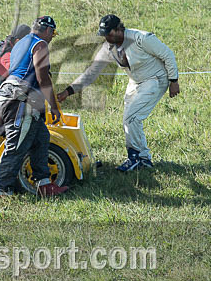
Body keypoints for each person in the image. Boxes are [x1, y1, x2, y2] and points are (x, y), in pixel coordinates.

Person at [58, 14, 180, 172]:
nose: (106, 38)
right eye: (104, 35)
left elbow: (168, 55)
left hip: (155, 79)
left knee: (132, 117)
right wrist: (67, 92)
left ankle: (136, 158)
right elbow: (91, 73)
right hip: (135, 82)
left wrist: (174, 81)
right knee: (129, 120)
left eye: (109, 33)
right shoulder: (108, 48)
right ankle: (142, 158)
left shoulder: (141, 38)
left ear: (118, 29)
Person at [0, 16, 68, 197]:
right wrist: (54, 106)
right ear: (48, 31)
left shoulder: (20, 43)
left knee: (41, 138)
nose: (52, 38)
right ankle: (4, 191)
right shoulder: (40, 44)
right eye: (53, 34)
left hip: (13, 95)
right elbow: (42, 77)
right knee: (16, 145)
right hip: (20, 99)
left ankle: (43, 184)